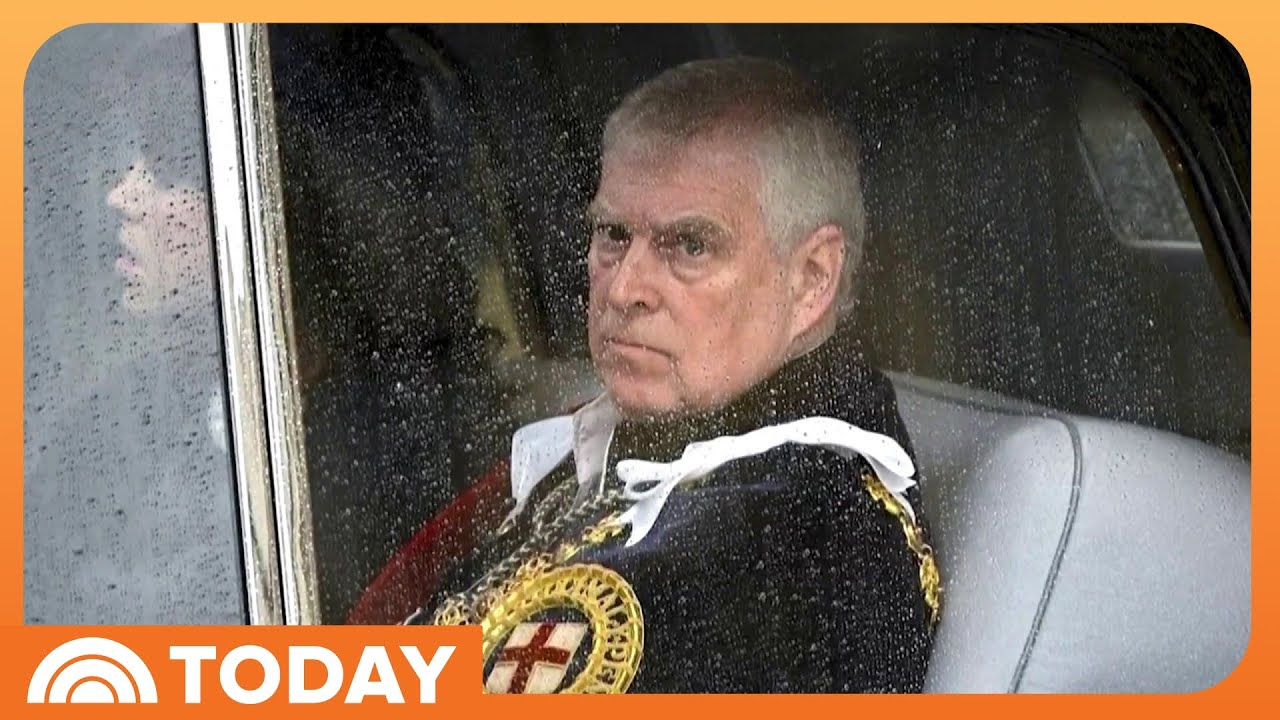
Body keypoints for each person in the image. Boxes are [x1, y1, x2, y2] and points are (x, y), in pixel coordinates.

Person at [356, 56, 940, 693]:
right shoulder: (652, 445)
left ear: (810, 278)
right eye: (613, 234)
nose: (623, 289)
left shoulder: (797, 540)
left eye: (690, 245)